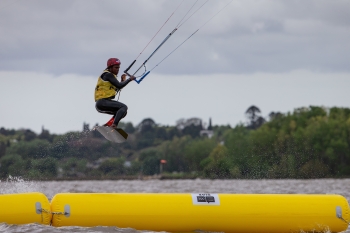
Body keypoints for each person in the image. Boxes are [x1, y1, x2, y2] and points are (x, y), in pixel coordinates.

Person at [95, 58, 135, 129]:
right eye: (116, 68)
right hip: (102, 102)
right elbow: (119, 85)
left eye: (118, 68)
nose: (118, 70)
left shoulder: (110, 76)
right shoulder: (107, 75)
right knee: (123, 107)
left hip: (103, 103)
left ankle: (108, 125)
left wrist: (122, 81)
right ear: (110, 67)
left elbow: (118, 87)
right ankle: (114, 125)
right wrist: (129, 79)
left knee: (123, 112)